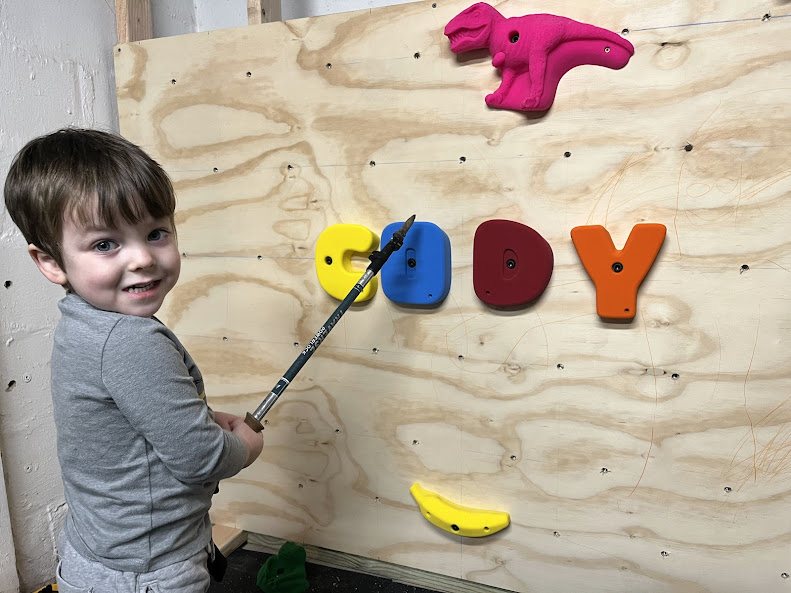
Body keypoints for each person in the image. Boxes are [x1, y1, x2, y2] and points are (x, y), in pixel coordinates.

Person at [3, 128, 264, 592]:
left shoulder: (83, 321)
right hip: (149, 570)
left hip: (97, 554)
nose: (143, 258)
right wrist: (244, 446)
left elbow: (131, 421)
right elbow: (202, 460)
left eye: (156, 233)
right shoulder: (130, 340)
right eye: (105, 244)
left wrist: (201, 419)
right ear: (51, 262)